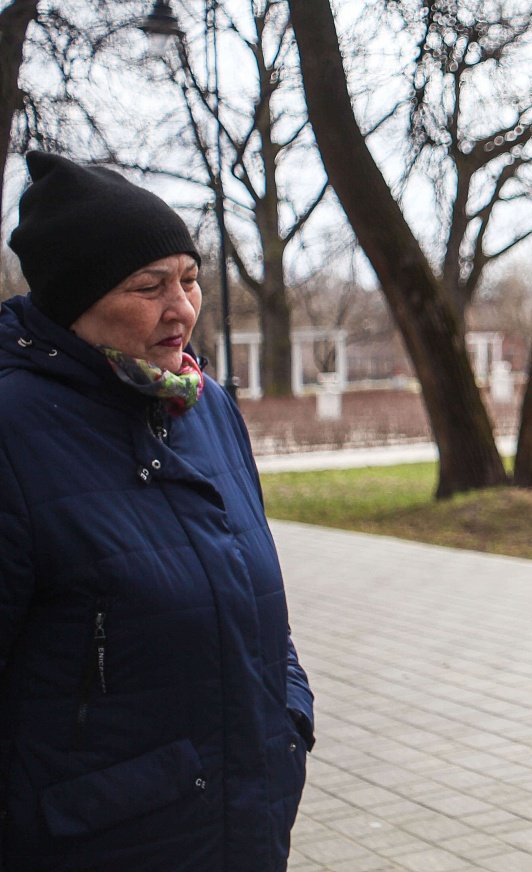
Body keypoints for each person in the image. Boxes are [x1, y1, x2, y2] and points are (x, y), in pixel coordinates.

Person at [0, 152, 314, 871]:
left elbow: (260, 602)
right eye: (150, 286)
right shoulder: (13, 432)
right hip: (96, 840)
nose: (183, 308)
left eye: (190, 279)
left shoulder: (207, 407)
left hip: (244, 820)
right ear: (75, 300)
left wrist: (288, 716)